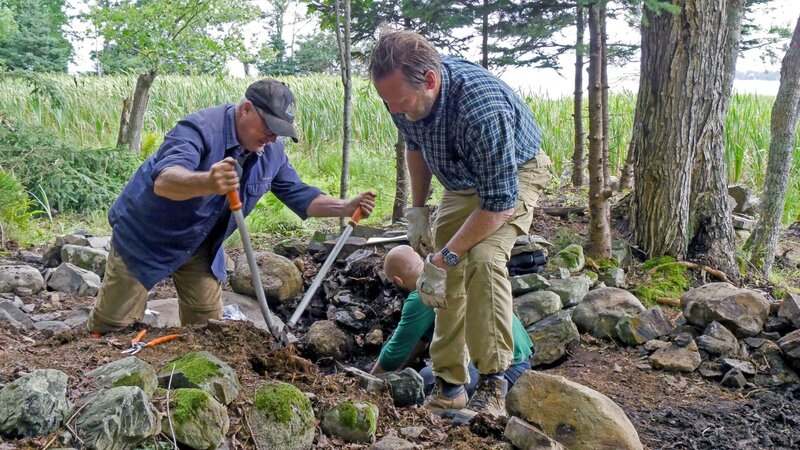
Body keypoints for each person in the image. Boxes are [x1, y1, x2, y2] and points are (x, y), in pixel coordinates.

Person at [87, 78, 376, 334]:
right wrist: (207, 181)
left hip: (201, 243)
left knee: (208, 329)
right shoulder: (199, 129)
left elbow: (301, 196)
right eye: (270, 128)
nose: (273, 138)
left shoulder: (271, 150)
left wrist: (345, 206)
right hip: (146, 236)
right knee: (113, 327)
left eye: (280, 132)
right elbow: (164, 181)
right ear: (247, 109)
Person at [368, 30, 551, 420]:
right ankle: (450, 386)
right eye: (388, 102)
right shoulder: (399, 95)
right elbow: (414, 146)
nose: (394, 110)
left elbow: (499, 202)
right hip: (462, 181)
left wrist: (447, 255)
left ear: (430, 80)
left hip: (513, 176)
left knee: (482, 259)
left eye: (400, 101)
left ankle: (493, 383)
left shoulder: (481, 108)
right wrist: (418, 210)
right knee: (444, 278)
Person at [371, 245, 533, 407]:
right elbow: (419, 342)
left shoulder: (422, 294)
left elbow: (395, 352)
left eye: (393, 284)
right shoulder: (448, 275)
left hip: (505, 371)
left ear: (398, 281)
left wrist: (369, 383)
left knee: (427, 379)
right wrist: (400, 370)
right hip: (521, 359)